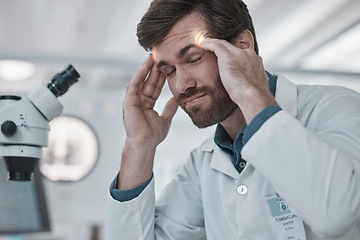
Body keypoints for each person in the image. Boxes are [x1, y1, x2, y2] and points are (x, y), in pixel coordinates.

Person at [105, 0, 360, 239]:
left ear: (242, 46)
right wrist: (139, 144)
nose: (182, 84)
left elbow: (335, 213)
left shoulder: (336, 108)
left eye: (194, 58)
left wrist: (249, 90)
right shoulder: (201, 165)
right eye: (169, 71)